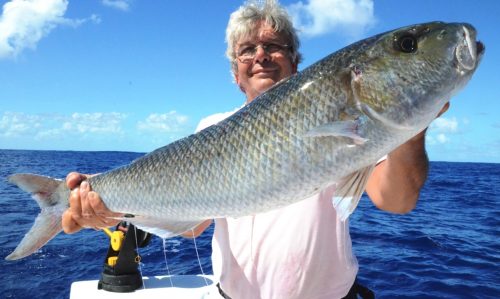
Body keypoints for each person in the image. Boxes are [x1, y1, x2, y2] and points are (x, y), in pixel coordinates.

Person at [62, 1, 449, 298]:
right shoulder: (211, 129)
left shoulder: (357, 124)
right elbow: (193, 223)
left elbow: (396, 199)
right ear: (236, 74)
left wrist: (413, 128)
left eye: (273, 46)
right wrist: (102, 204)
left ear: (295, 64)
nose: (260, 55)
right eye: (247, 50)